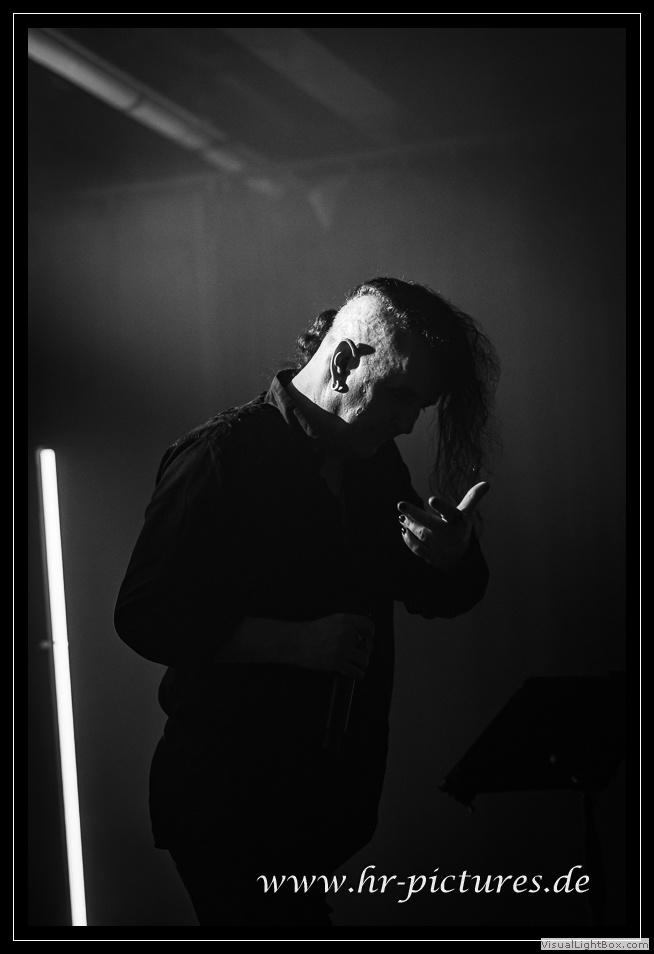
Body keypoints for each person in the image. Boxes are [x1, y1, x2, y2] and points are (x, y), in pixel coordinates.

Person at [114, 276, 500, 928]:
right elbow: (144, 613)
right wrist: (295, 642)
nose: (409, 422)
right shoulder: (221, 456)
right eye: (402, 396)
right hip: (226, 803)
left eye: (421, 406)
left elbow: (433, 594)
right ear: (345, 361)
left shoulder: (374, 464)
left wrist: (452, 557)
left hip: (318, 807)